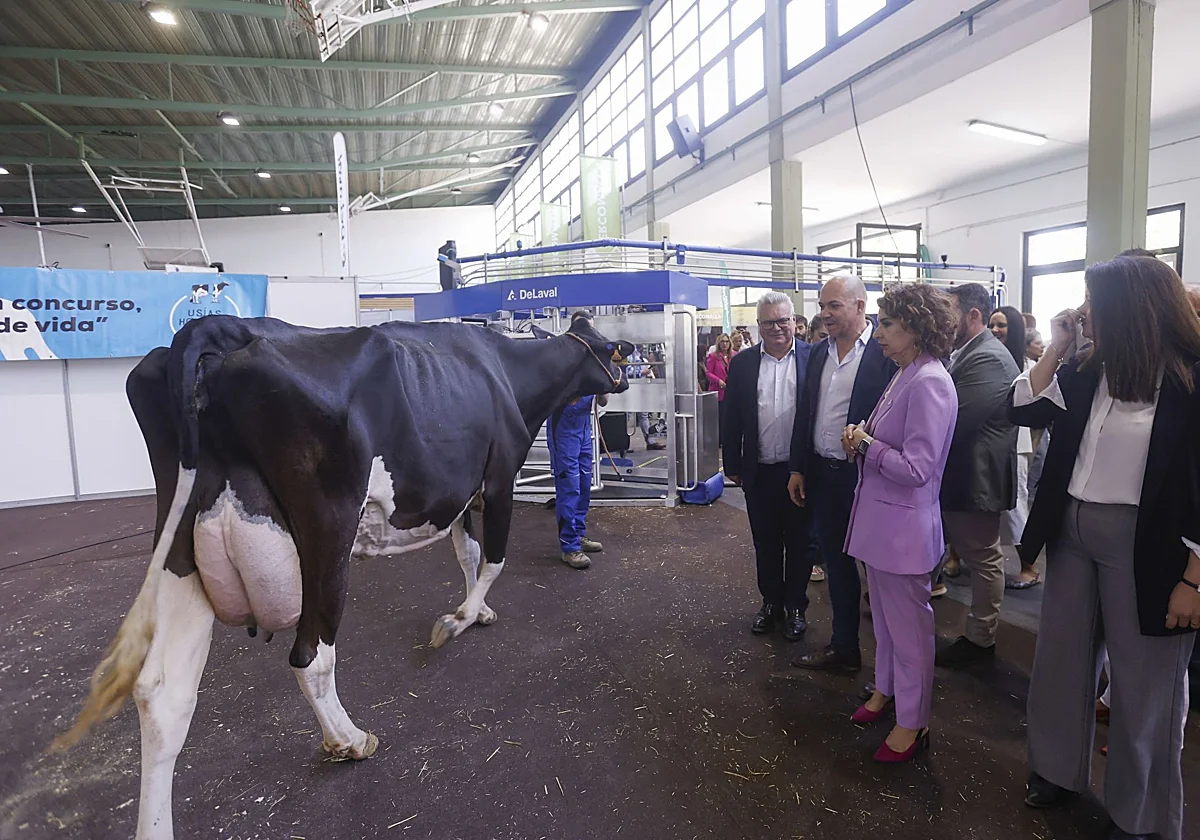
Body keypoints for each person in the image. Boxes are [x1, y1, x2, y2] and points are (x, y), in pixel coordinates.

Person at [1012, 254, 1200, 840]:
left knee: (1145, 685)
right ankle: (1056, 770)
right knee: (1060, 661)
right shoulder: (1090, 368)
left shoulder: (1189, 380)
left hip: (1151, 543)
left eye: (1094, 302)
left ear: (1132, 310)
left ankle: (1140, 814)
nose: (1084, 311)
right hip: (1072, 531)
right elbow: (1020, 407)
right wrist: (1058, 344)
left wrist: (1195, 578)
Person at [842, 283, 959, 762]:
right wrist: (863, 438)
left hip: (904, 532)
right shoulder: (906, 373)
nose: (879, 334)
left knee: (910, 634)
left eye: (887, 324)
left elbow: (917, 468)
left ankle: (913, 720)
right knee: (888, 625)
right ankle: (885, 691)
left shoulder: (929, 381)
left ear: (915, 327)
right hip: (883, 527)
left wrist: (866, 445)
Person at [788, 275, 898, 673]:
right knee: (836, 564)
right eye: (822, 306)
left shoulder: (886, 354)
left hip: (868, 477)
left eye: (833, 305)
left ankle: (892, 670)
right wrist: (798, 466)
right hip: (823, 473)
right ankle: (844, 647)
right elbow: (806, 411)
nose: (825, 313)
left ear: (859, 307)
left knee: (880, 571)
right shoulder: (819, 352)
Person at [936, 284, 1021, 667]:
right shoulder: (968, 352)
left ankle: (980, 640)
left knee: (983, 558)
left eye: (949, 313)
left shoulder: (988, 358)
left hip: (975, 475)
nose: (942, 321)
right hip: (961, 473)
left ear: (973, 315)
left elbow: (955, 419)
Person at [723, 292, 813, 641]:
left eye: (782, 321)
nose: (776, 328)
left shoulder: (813, 358)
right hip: (758, 470)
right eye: (768, 322)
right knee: (766, 542)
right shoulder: (744, 363)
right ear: (758, 325)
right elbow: (732, 415)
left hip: (799, 471)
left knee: (801, 543)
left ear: (794, 321)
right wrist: (732, 462)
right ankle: (771, 603)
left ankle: (796, 607)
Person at [547, 311, 609, 570]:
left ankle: (579, 534)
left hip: (583, 429)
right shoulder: (560, 357)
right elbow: (548, 393)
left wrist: (604, 386)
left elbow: (603, 400)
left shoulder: (593, 359)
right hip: (564, 430)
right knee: (569, 487)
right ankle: (569, 547)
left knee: (584, 485)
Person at [989, 306, 1040, 589]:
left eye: (1001, 325)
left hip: (1013, 444)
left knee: (1015, 505)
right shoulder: (986, 359)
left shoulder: (1028, 367)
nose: (995, 330)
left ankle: (1029, 567)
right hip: (988, 441)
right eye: (992, 325)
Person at [706, 334, 734, 439]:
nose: (724, 344)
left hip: (731, 391)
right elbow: (708, 373)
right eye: (722, 342)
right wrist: (718, 381)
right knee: (720, 417)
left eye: (726, 341)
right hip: (718, 391)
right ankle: (719, 439)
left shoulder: (735, 355)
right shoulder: (713, 356)